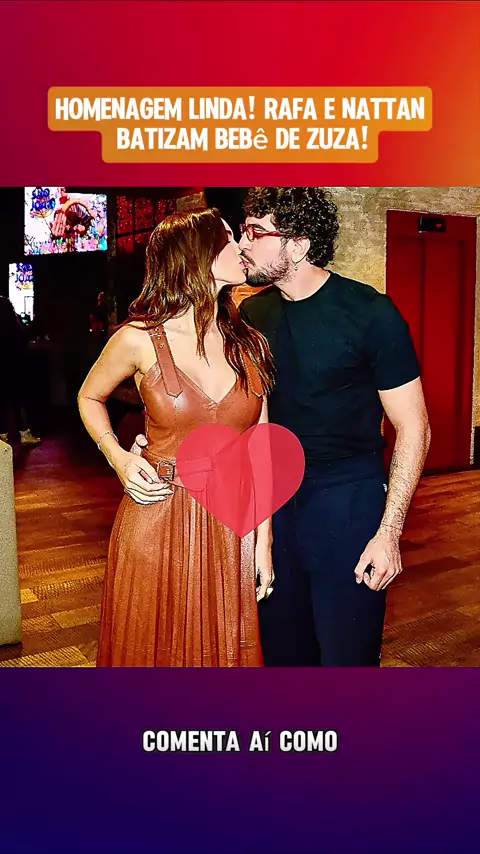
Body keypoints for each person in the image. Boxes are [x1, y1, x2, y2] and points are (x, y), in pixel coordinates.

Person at [235, 186, 431, 667]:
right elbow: (240, 411)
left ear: (299, 245)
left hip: (347, 499)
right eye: (244, 230)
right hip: (277, 502)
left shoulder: (369, 313)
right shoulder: (251, 314)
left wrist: (389, 533)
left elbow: (414, 427)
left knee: (348, 658)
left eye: (256, 232)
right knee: (284, 655)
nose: (243, 243)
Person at [78, 208, 275, 667]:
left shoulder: (249, 343)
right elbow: (89, 396)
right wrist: (119, 457)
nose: (242, 247)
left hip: (230, 525)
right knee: (151, 655)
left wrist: (263, 542)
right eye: (229, 239)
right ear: (197, 253)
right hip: (157, 514)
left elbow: (262, 447)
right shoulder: (138, 339)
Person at [0, 297, 42, 447]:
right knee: (19, 404)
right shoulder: (15, 329)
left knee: (2, 404)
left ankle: (2, 436)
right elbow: (25, 347)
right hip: (16, 371)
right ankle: (24, 434)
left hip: (2, 372)